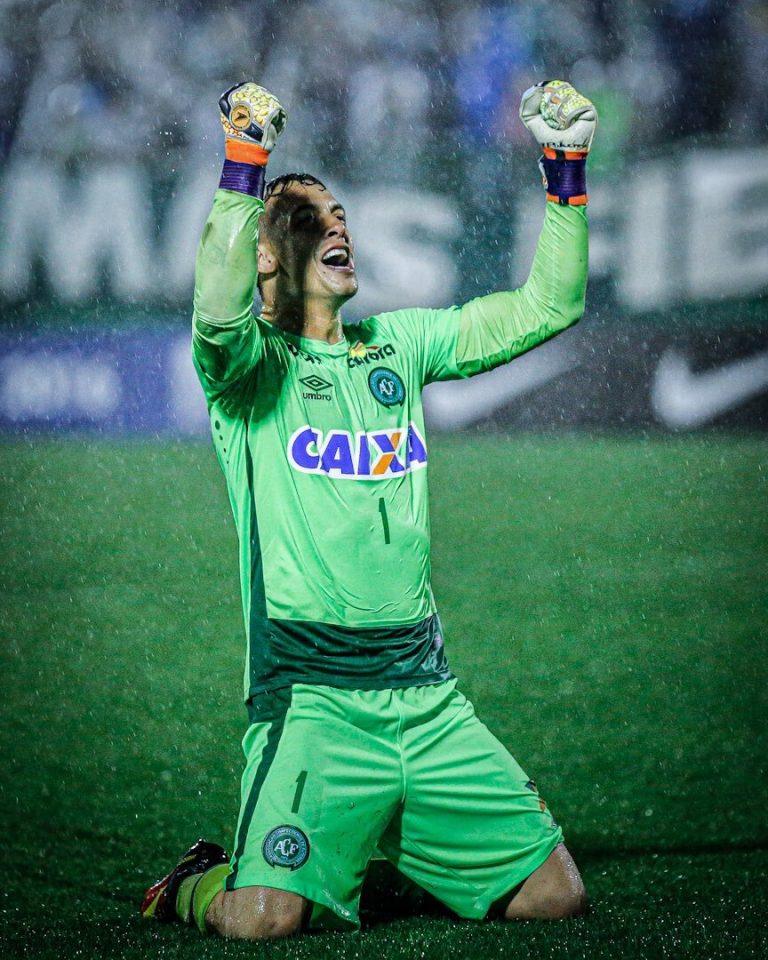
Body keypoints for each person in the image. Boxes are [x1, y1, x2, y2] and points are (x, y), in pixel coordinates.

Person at [141, 77, 596, 940]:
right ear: (268, 256)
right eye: (310, 220)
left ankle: (350, 860)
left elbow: (550, 306)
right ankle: (198, 880)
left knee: (555, 898)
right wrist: (245, 161)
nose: (337, 227)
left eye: (341, 213)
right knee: (260, 920)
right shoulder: (249, 371)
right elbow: (213, 311)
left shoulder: (400, 344)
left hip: (426, 696)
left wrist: (565, 168)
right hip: (312, 700)